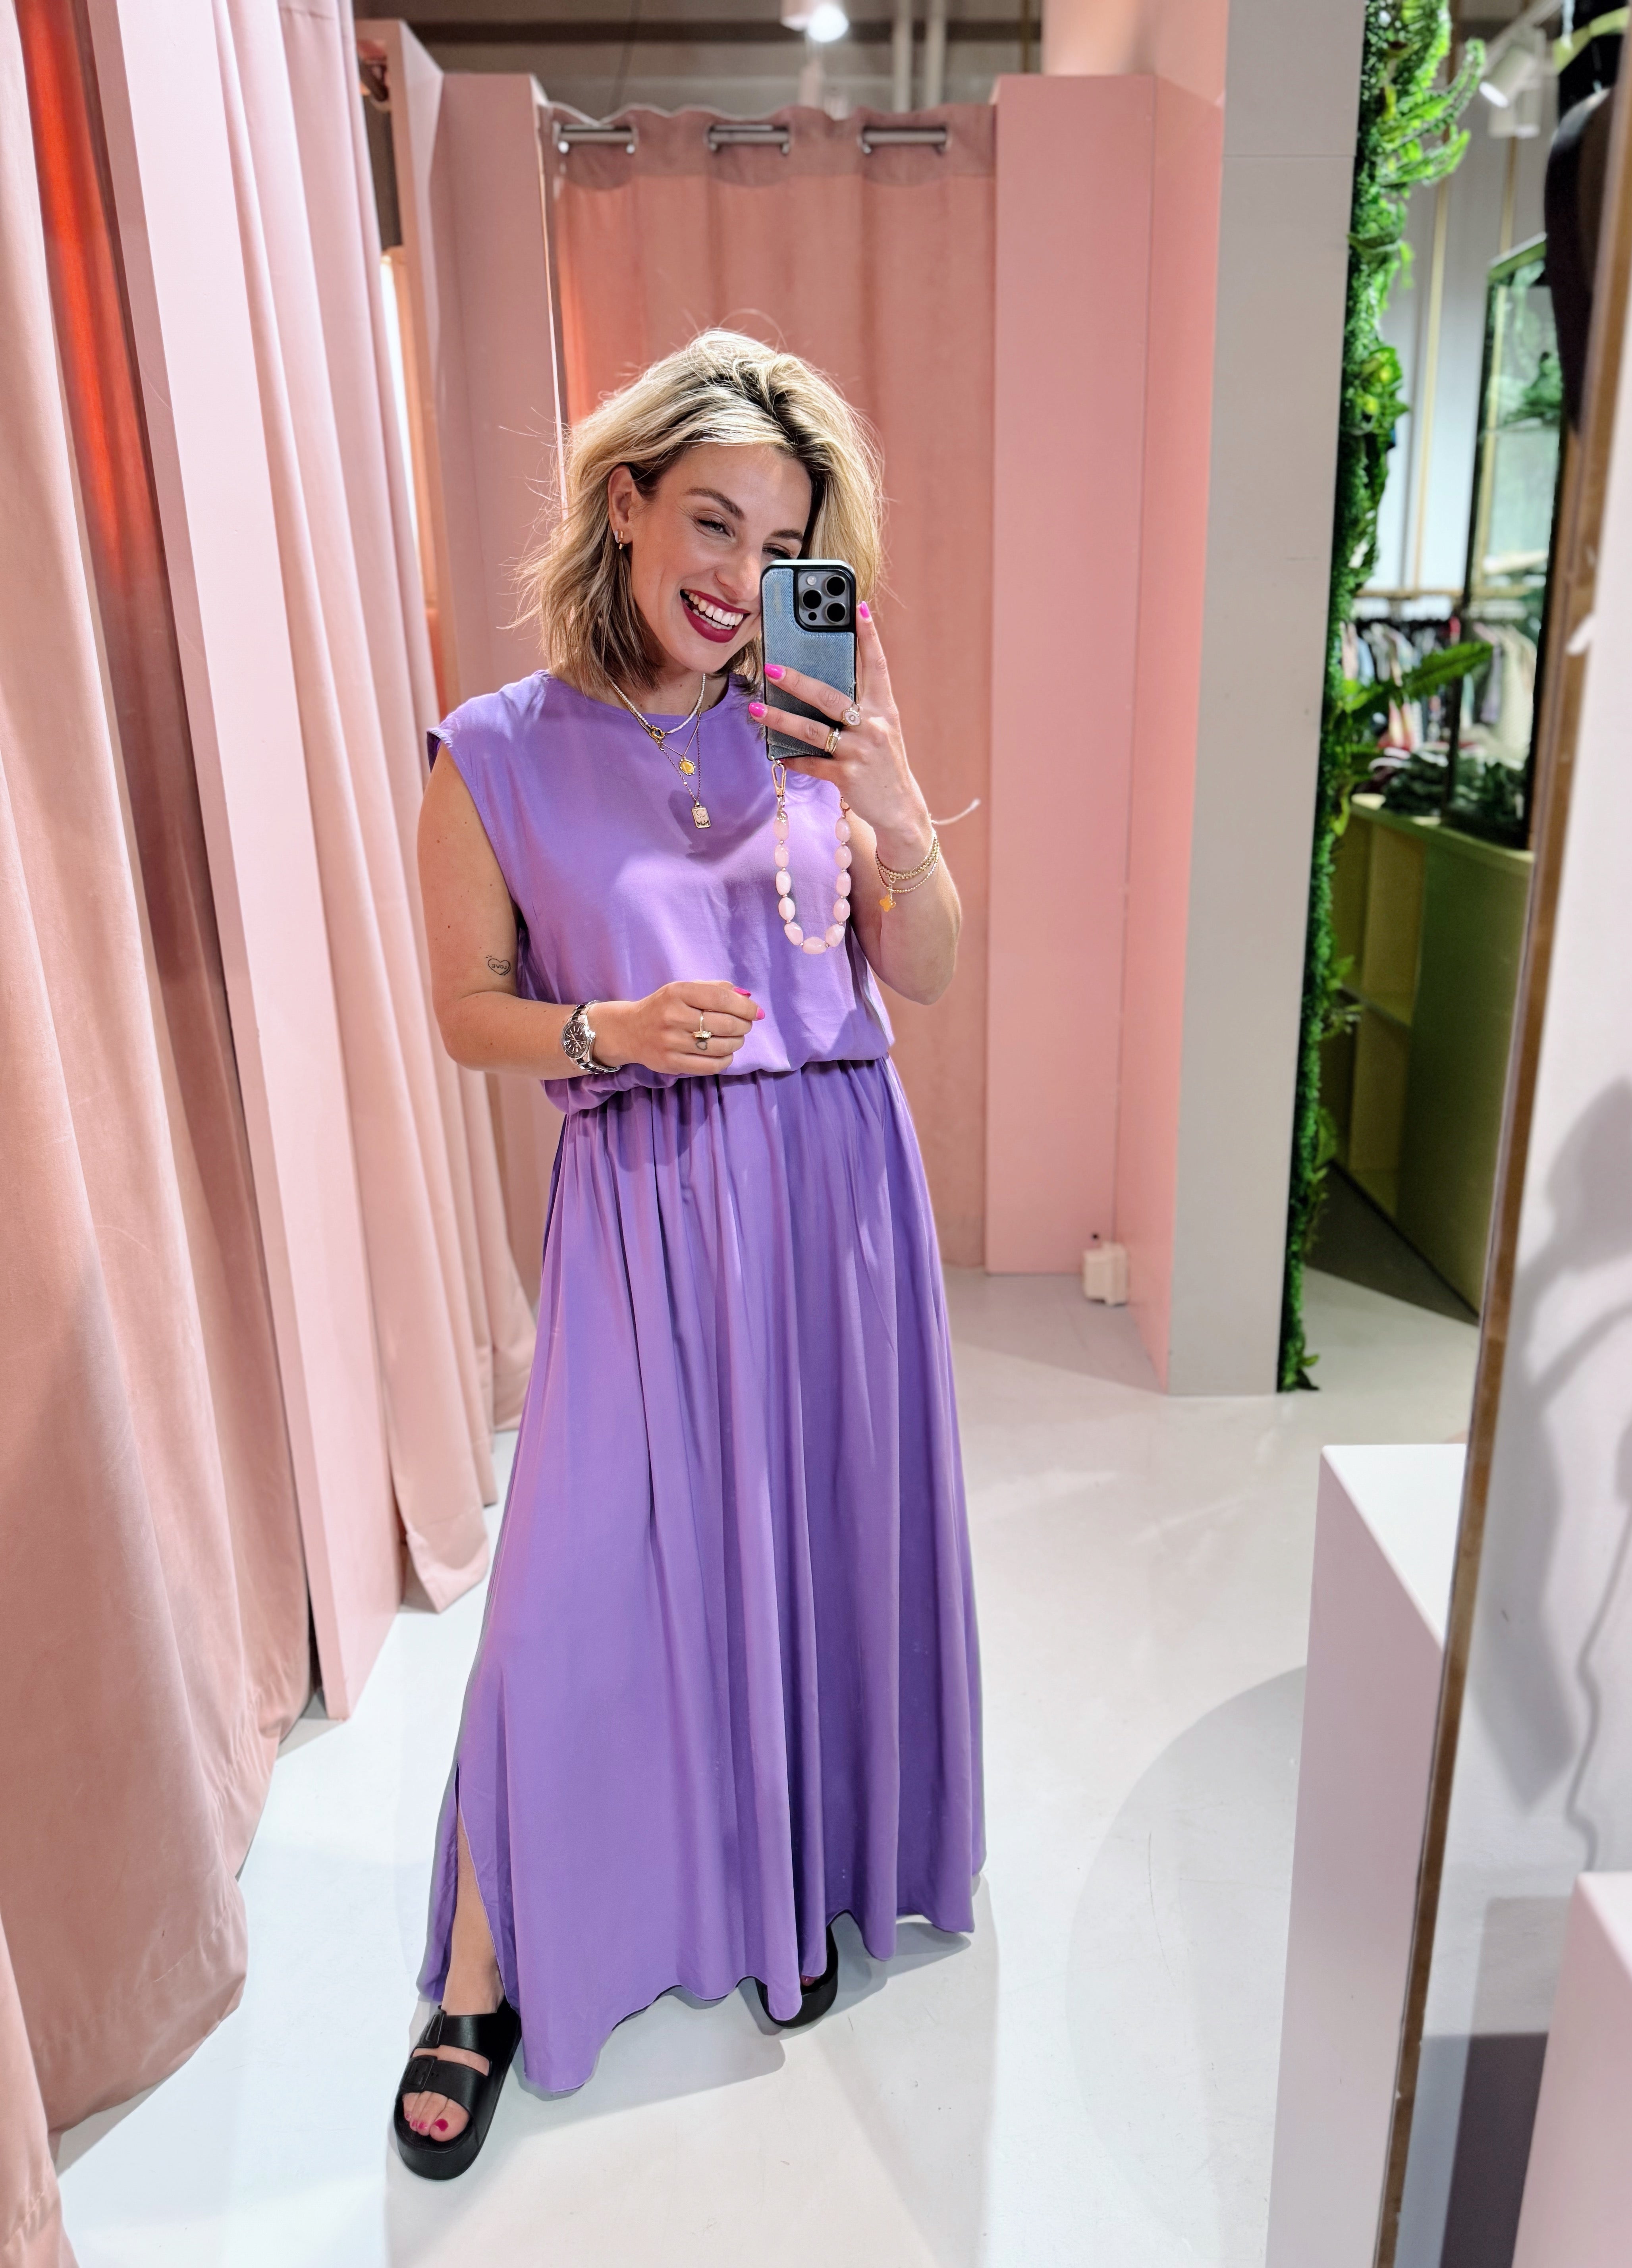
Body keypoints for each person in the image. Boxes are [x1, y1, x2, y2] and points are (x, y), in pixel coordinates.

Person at [392, 330, 984, 2177]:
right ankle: (480, 1971)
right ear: (629, 504)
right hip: (645, 1201)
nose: (739, 577)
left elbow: (924, 968)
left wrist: (897, 801)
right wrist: (613, 1031)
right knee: (564, 1591)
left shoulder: (815, 720)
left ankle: (796, 1879)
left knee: (816, 1539)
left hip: (840, 1195)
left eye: (782, 543)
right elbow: (464, 1009)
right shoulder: (498, 750)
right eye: (711, 521)